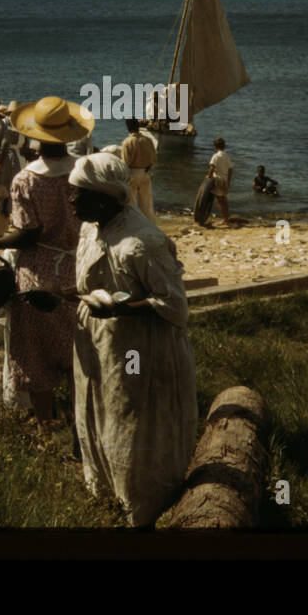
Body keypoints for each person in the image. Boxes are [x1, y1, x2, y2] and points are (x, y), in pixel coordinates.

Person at [69, 151, 198, 528]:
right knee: (101, 411)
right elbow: (92, 285)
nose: (71, 200)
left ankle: (145, 508)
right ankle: (106, 494)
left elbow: (175, 306)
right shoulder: (91, 228)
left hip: (139, 347)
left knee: (134, 420)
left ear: (105, 199)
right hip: (100, 341)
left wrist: (120, 311)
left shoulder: (142, 243)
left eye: (79, 194)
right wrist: (61, 295)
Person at [0, 96, 92, 448]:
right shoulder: (84, 170)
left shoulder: (25, 180)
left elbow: (28, 234)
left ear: (34, 138)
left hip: (39, 270)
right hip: (79, 267)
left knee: (37, 356)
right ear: (69, 134)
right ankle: (78, 425)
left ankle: (45, 433)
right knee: (77, 353)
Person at [119, 117, 157, 221]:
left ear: (128, 127)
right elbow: (154, 159)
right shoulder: (148, 140)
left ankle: (133, 223)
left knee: (131, 203)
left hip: (132, 174)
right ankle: (150, 225)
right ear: (138, 126)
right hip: (146, 172)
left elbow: (125, 162)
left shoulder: (127, 142)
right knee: (147, 204)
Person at [207, 136, 233, 225]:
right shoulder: (226, 156)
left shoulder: (216, 156)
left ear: (215, 146)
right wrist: (229, 181)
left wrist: (208, 176)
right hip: (225, 179)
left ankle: (225, 219)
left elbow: (212, 167)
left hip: (218, 179)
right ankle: (227, 218)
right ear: (224, 146)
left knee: (219, 201)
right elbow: (230, 170)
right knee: (224, 200)